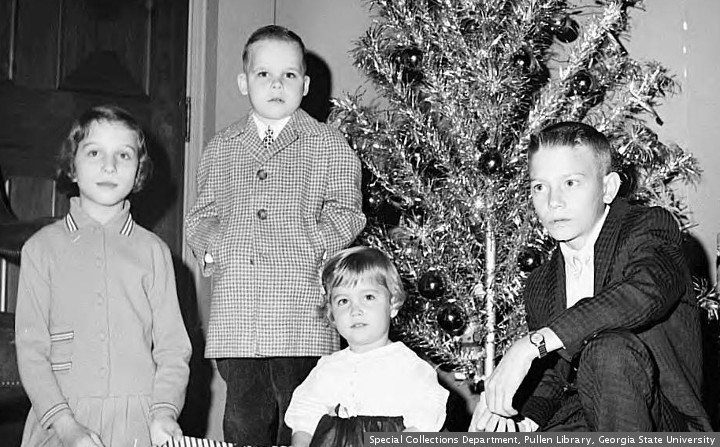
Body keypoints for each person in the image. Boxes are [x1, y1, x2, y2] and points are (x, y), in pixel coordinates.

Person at [185, 25, 365, 445]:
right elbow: (201, 216)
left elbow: (347, 212)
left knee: (302, 422)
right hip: (239, 315)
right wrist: (217, 248)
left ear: (305, 85)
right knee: (243, 422)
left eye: (288, 75)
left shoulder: (328, 144)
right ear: (243, 82)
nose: (276, 84)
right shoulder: (222, 146)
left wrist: (312, 245)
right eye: (264, 74)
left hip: (301, 312)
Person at [470, 121, 712, 432]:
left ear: (608, 188)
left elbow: (644, 293)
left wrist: (533, 344)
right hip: (581, 417)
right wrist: (521, 420)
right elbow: (555, 375)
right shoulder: (541, 282)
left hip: (659, 423)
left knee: (608, 350)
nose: (553, 201)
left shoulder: (648, 228)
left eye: (570, 182)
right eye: (540, 186)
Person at [15, 105, 192, 447]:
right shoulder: (40, 250)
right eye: (94, 152)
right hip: (61, 420)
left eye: (123, 155)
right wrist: (66, 426)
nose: (109, 166)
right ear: (72, 166)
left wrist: (164, 412)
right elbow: (31, 351)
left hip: (139, 423)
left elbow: (173, 348)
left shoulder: (153, 252)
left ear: (139, 171)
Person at [285, 246, 448, 447]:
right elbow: (305, 415)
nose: (355, 310)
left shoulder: (408, 365)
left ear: (393, 304)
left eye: (368, 297)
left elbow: (426, 414)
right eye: (343, 301)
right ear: (332, 314)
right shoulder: (328, 367)